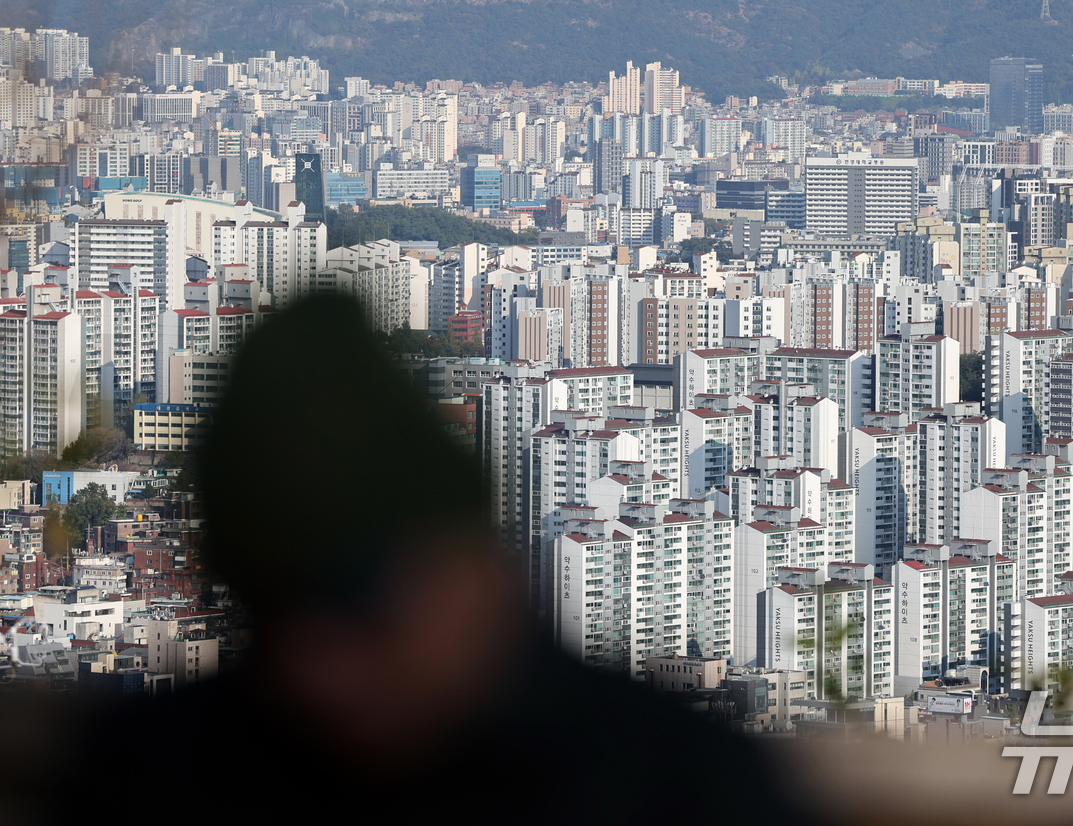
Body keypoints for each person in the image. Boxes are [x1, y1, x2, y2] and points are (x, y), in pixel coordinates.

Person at [6, 295, 805, 822]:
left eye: (357, 592)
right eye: (268, 605)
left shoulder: (672, 788)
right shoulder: (156, 779)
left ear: (473, 561)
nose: (317, 661)